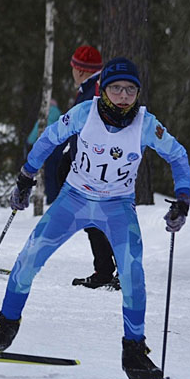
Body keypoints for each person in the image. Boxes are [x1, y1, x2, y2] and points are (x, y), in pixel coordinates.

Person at [0, 57, 190, 379]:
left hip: (117, 207)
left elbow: (177, 155)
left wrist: (182, 200)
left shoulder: (146, 123)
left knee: (133, 274)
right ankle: (4, 329)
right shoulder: (85, 112)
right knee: (28, 259)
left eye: (130, 90)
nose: (124, 96)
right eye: (116, 88)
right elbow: (49, 138)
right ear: (104, 90)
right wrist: (26, 178)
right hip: (73, 200)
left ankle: (134, 351)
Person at [60, 45, 119, 290]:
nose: (72, 71)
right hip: (91, 165)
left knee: (98, 219)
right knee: (94, 220)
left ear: (80, 69)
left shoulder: (94, 91)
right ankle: (105, 270)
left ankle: (111, 271)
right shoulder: (92, 88)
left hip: (95, 168)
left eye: (74, 67)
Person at [26, 98, 63, 204]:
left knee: (49, 174)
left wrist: (30, 141)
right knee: (57, 174)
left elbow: (38, 129)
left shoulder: (45, 114)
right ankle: (57, 197)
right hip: (58, 147)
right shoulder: (59, 114)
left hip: (47, 148)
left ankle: (51, 199)